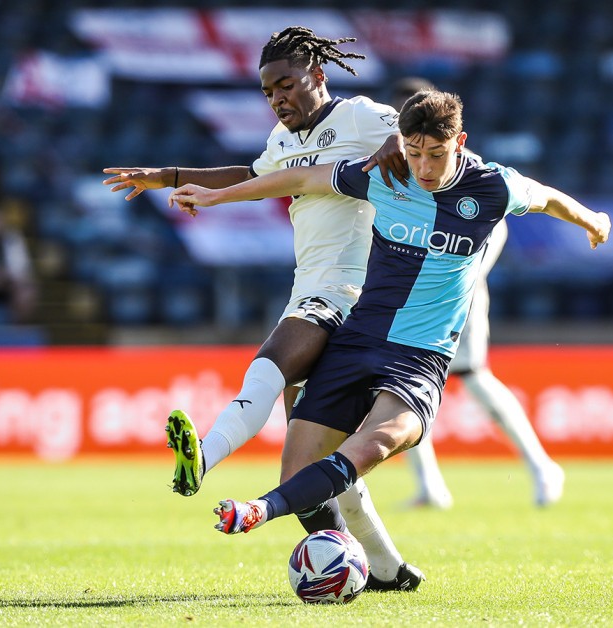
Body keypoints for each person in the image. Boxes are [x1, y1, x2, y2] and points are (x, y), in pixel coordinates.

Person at [167, 89, 611, 537]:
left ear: (460, 143)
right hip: (359, 338)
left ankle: (257, 511)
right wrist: (215, 197)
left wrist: (593, 220)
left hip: (420, 356)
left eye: (436, 154)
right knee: (298, 463)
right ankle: (378, 565)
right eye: (414, 152)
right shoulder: (385, 174)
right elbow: (299, 179)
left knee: (374, 444)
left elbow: (549, 198)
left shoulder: (494, 185)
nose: (424, 168)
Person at [103, 26, 423, 591]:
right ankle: (388, 571)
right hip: (311, 286)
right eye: (268, 91)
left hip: (354, 292)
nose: (277, 98)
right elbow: (254, 177)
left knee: (271, 361)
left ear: (317, 77)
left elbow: (417, 136)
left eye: (286, 84)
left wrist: (396, 144)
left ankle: (202, 457)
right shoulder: (282, 137)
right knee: (310, 461)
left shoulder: (359, 116)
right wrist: (167, 177)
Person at [388, 78, 564, 510]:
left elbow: (498, 226)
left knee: (473, 378)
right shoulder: (397, 165)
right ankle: (429, 485)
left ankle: (541, 465)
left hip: (457, 290)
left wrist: (467, 279)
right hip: (408, 292)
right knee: (393, 383)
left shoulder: (464, 167)